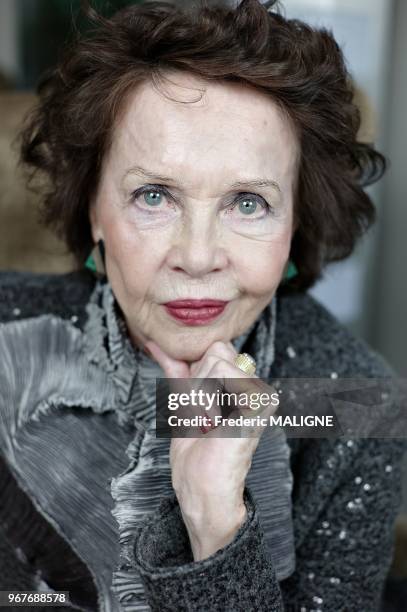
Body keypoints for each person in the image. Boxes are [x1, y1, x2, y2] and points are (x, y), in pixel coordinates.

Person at [0, 1, 405, 610]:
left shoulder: (354, 408)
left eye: (247, 202)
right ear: (92, 209)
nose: (196, 256)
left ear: (297, 222)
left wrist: (215, 525)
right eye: (154, 194)